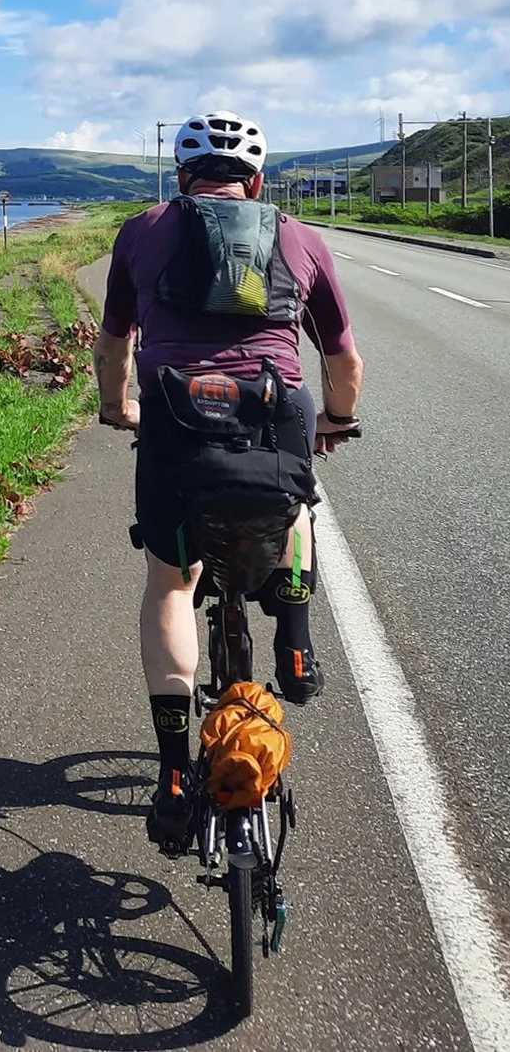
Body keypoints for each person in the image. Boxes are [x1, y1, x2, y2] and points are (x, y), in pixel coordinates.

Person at [93, 111, 364, 855]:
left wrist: (118, 407)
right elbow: (343, 364)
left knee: (171, 585)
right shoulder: (299, 237)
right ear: (256, 181)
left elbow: (114, 342)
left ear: (181, 178)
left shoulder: (142, 230)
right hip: (274, 417)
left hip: (176, 422)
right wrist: (333, 421)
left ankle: (176, 772)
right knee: (296, 501)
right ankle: (297, 641)